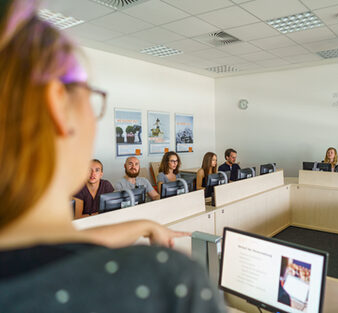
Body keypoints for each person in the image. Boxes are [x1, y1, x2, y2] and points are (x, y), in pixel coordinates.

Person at [0, 2, 224, 312]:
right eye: (92, 100)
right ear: (58, 107)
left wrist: (144, 225)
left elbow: (58, 247)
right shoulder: (165, 280)